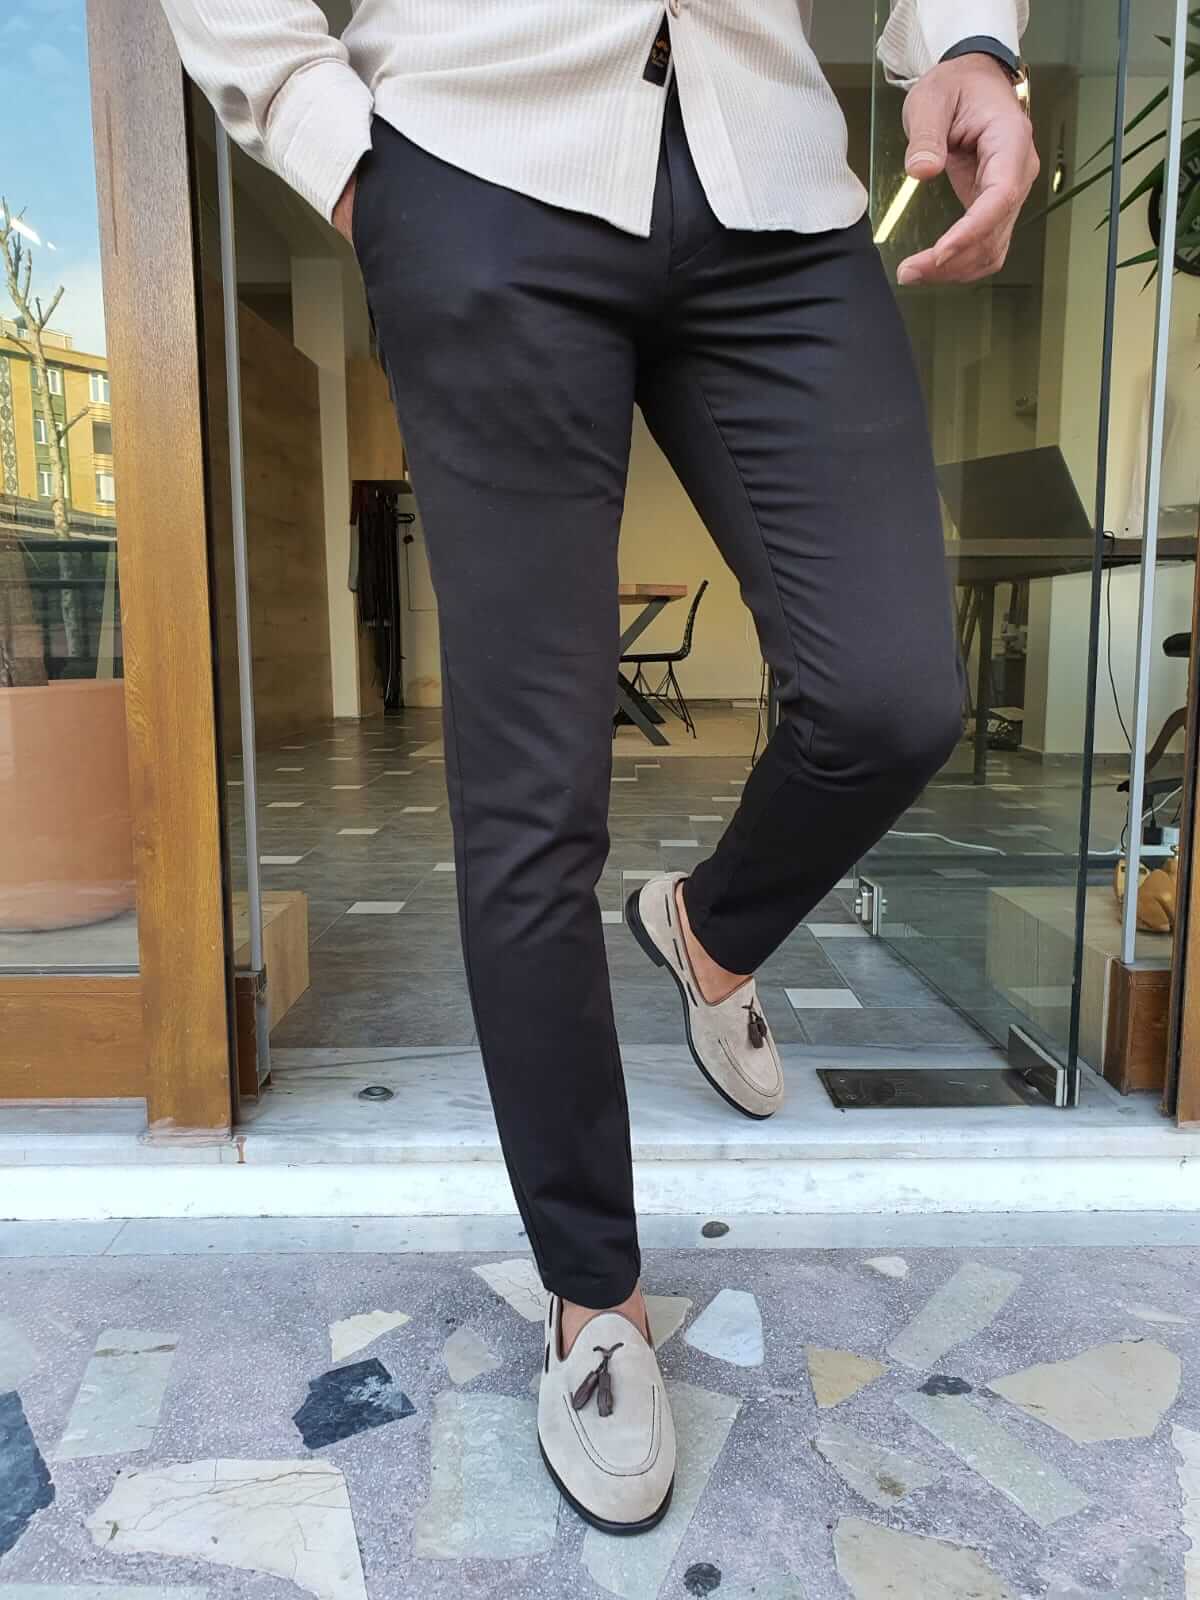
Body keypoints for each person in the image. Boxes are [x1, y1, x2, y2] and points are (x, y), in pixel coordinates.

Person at [158, 0, 1037, 1535]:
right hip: (475, 164)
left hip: (776, 187)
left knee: (892, 700)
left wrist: (971, 44)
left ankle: (709, 925)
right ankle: (593, 1296)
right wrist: (340, 147)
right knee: (531, 805)